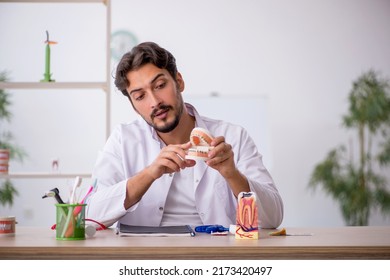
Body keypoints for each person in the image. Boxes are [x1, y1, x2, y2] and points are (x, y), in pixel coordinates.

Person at [86, 42, 283, 229]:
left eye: (160, 85)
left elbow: (273, 218)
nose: (154, 102)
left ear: (179, 82)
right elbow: (90, 215)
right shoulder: (123, 139)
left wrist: (232, 174)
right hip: (145, 256)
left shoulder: (233, 136)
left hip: (216, 254)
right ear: (133, 105)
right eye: (140, 96)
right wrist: (148, 174)